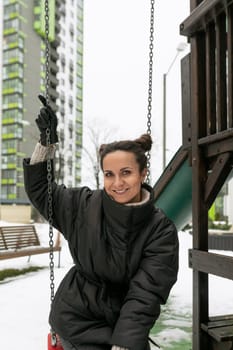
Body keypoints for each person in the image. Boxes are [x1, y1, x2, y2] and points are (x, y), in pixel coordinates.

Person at [23, 98, 179, 350]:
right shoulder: (83, 206)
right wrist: (46, 143)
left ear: (143, 174)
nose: (117, 183)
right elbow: (41, 191)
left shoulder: (159, 230)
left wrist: (125, 342)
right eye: (109, 174)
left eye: (126, 172)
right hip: (75, 321)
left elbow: (146, 292)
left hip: (123, 326)